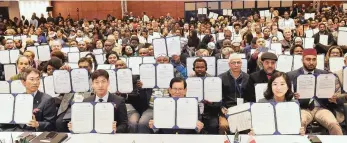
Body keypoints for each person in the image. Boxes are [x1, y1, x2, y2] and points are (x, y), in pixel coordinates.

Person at [287, 49, 344, 135]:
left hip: (322, 108)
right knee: (299, 126)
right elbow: (285, 96)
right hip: (302, 108)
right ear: (302, 60)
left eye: (314, 59)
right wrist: (293, 96)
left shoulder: (326, 75)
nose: (311, 62)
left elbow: (338, 96)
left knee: (334, 125)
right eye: (308, 59)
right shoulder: (291, 75)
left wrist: (334, 99)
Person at [56, 58, 94, 132]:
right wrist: (61, 72)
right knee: (59, 122)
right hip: (68, 107)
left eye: (85, 67)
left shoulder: (94, 79)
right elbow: (59, 85)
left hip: (85, 108)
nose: (83, 69)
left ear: (91, 68)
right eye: (80, 67)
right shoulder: (71, 76)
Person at [218, 53, 249, 134]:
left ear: (241, 64)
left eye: (238, 62)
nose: (236, 65)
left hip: (242, 109)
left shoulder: (248, 78)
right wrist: (221, 107)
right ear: (229, 64)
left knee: (247, 126)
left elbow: (250, 97)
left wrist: (245, 108)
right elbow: (218, 97)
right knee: (223, 126)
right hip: (226, 110)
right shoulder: (221, 78)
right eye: (233, 63)